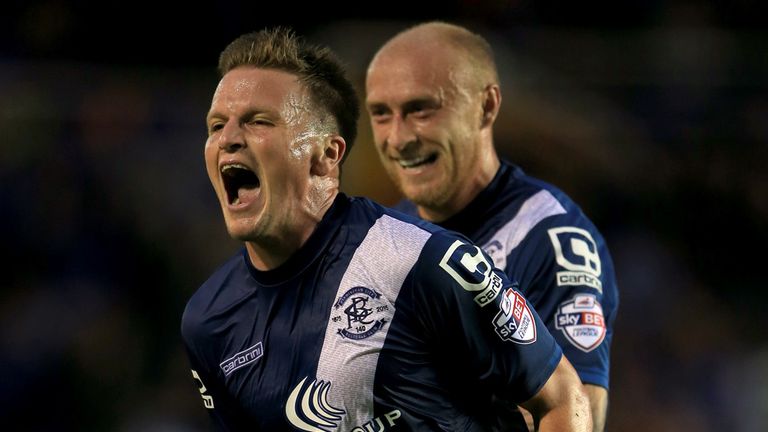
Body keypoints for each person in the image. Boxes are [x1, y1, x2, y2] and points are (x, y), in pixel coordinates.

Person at [181, 27, 592, 431]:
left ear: (325, 156)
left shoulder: (421, 260)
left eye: (258, 121)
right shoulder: (208, 321)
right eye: (216, 126)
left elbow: (561, 398)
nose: (228, 139)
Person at [365, 22, 618, 432]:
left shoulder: (550, 237)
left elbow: (577, 412)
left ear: (486, 106)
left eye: (421, 109)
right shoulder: (385, 236)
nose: (399, 138)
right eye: (381, 114)